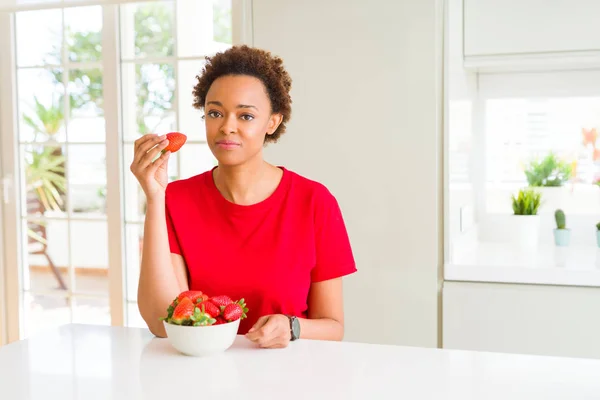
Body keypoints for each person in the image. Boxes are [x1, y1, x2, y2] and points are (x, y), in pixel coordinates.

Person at [131, 45, 356, 349]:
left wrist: (292, 327)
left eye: (246, 115)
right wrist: (154, 198)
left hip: (288, 377)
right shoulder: (176, 199)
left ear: (272, 123)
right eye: (215, 113)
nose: (227, 127)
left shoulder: (314, 202)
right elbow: (161, 322)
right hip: (202, 377)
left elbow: (334, 327)